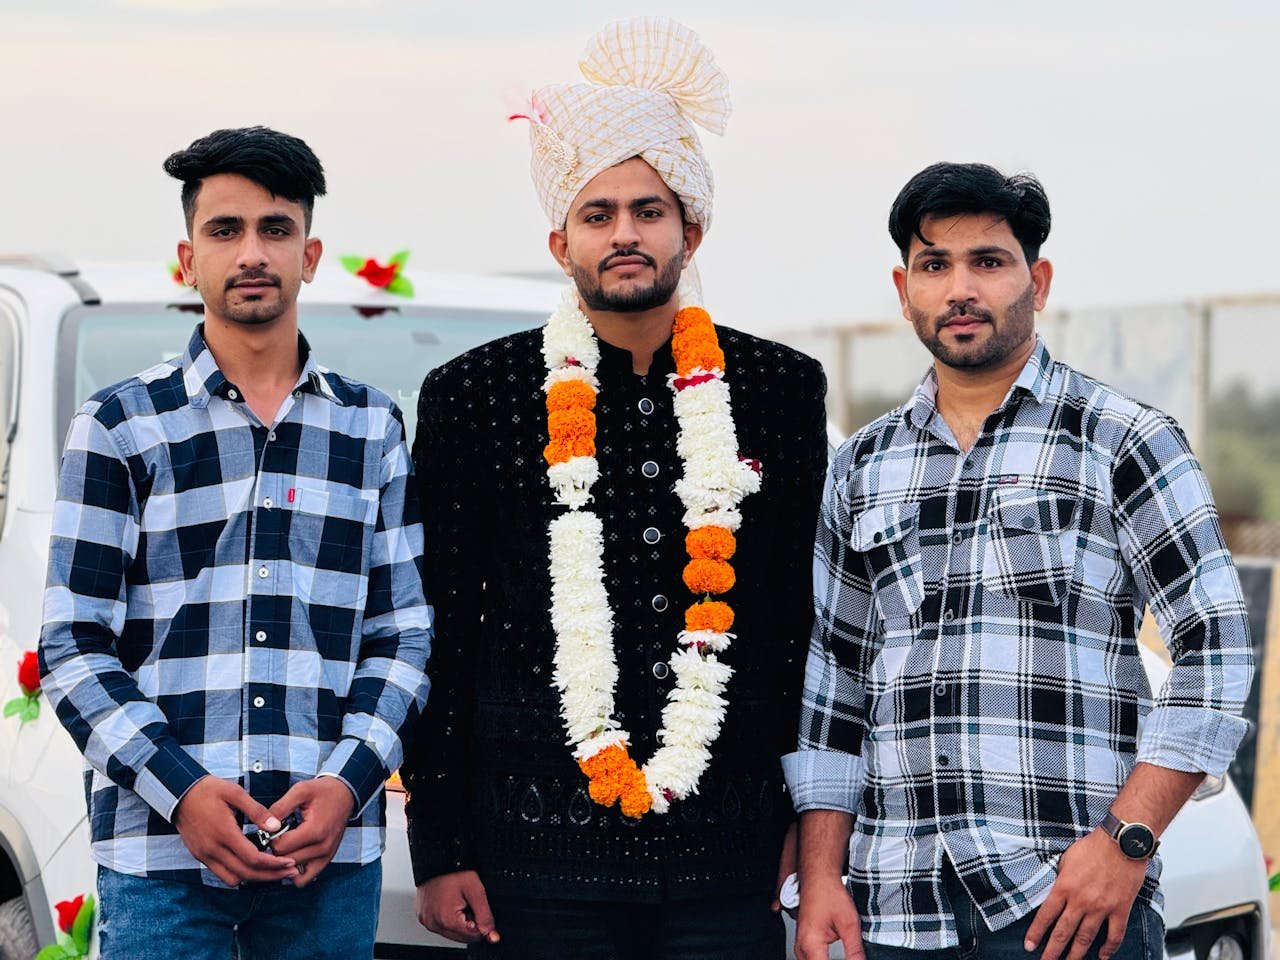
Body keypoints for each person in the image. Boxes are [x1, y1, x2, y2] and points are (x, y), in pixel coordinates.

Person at [399, 17, 828, 959]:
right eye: (598, 215)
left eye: (648, 210)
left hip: (734, 857)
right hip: (529, 861)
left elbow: (803, 620)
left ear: (692, 227)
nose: (624, 235)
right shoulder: (473, 393)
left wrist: (814, 826)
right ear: (561, 241)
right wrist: (440, 844)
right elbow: (443, 621)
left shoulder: (778, 389)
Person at [786, 161, 1254, 960]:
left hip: (1065, 906)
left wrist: (1124, 843)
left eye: (988, 262)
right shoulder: (862, 466)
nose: (960, 288)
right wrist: (822, 876)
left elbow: (1216, 646)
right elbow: (835, 683)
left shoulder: (1123, 440)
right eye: (935, 266)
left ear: (1036, 279)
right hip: (894, 913)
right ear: (904, 291)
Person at [39, 126, 432, 960]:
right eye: (225, 230)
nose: (251, 252)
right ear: (188, 259)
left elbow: (402, 635)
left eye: (274, 229)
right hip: (160, 863)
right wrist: (182, 794)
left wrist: (347, 784)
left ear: (310, 253)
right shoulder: (120, 427)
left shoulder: (371, 428)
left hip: (330, 860)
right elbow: (74, 645)